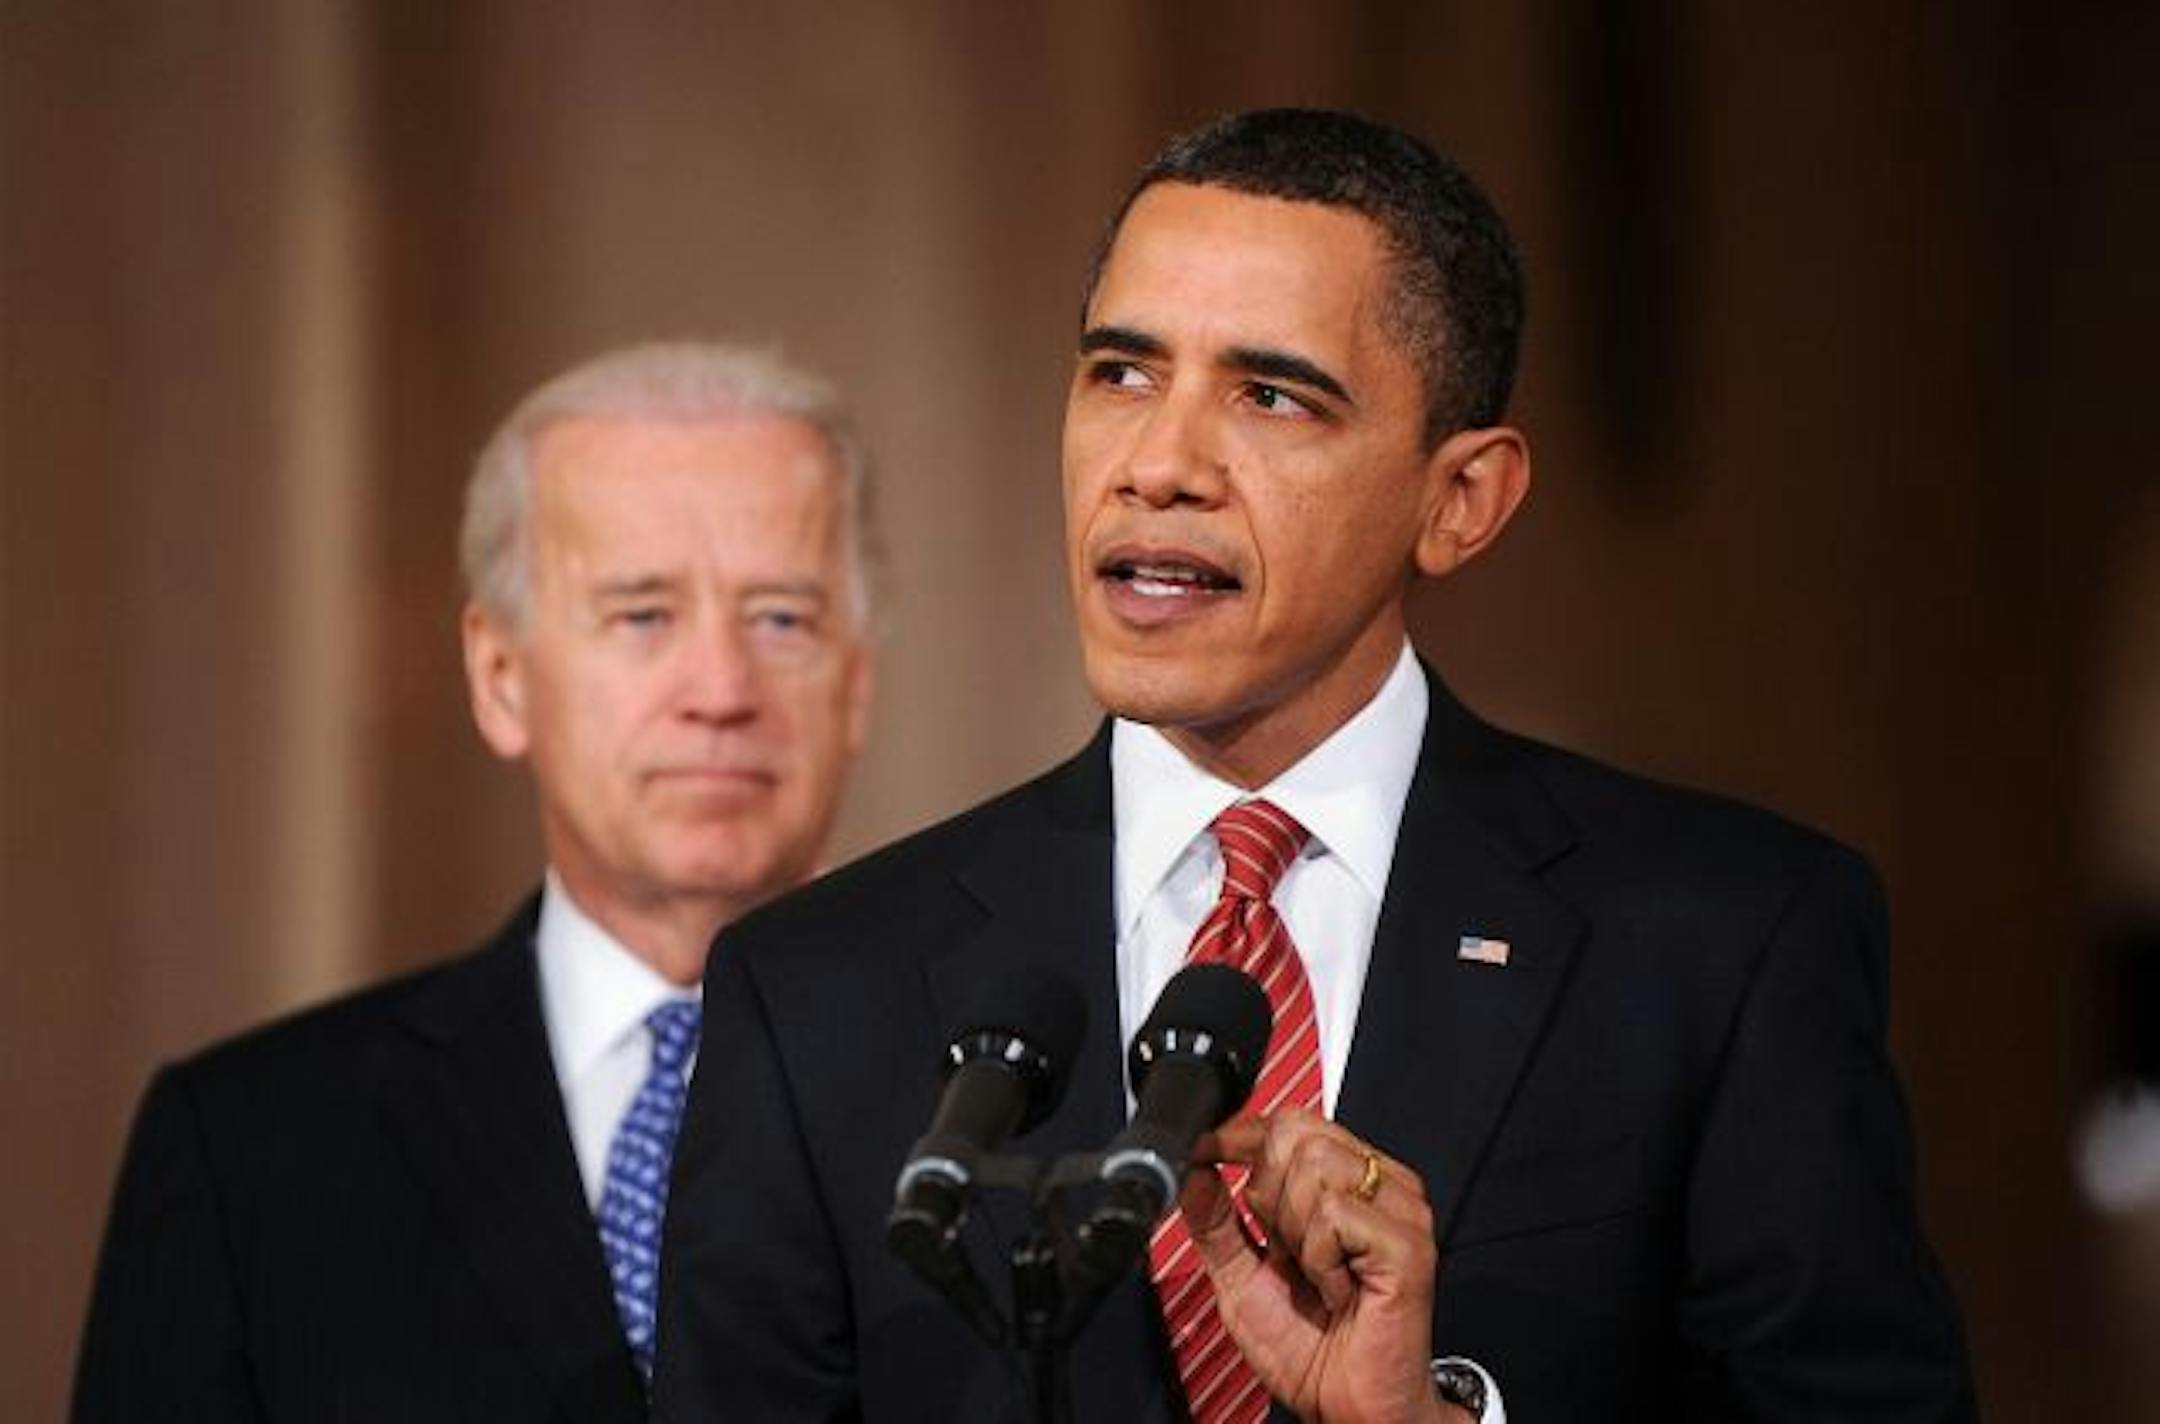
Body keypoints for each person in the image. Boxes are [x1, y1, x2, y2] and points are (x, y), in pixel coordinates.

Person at [651, 111, 1975, 1422]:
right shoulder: (815, 992)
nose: (1159, 466)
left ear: (1459, 500)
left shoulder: (1723, 945)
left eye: (1271, 394)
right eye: (1120, 372)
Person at [72, 342, 878, 1423]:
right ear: (501, 678)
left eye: (781, 617)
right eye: (642, 615)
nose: (721, 689)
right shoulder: (250, 1150)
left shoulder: (1026, 1117)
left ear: (858, 683)